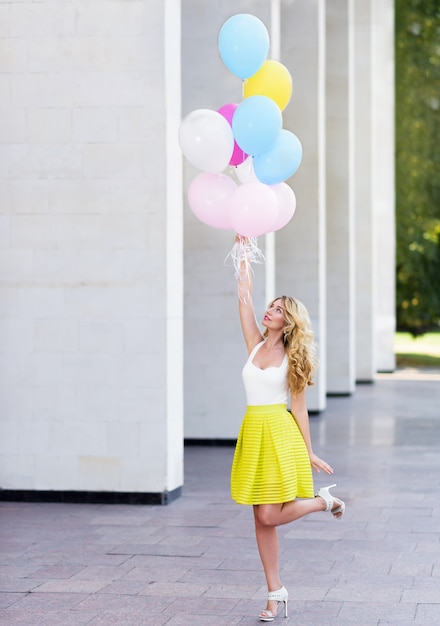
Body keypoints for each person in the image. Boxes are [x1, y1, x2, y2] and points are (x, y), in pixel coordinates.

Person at [230, 236, 345, 623]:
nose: (268, 312)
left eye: (277, 310)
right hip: (253, 434)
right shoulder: (254, 344)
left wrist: (309, 452)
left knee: (267, 517)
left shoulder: (293, 360)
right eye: (270, 306)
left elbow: (299, 409)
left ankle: (321, 502)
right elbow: (244, 298)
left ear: (288, 319)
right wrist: (243, 252)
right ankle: (275, 594)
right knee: (259, 519)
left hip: (280, 437)